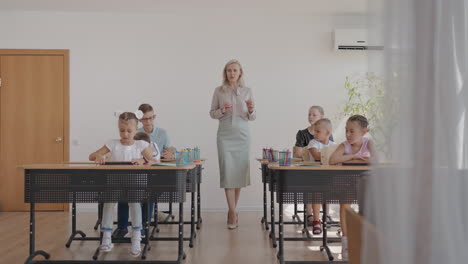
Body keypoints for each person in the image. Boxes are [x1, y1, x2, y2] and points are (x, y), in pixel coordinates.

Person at [89, 112, 155, 257]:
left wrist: (142, 161)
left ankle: (136, 238)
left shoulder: (141, 144)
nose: (125, 134)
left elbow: (154, 161)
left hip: (134, 182)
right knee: (108, 204)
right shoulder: (112, 143)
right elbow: (92, 156)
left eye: (129, 131)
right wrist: (99, 156)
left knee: (135, 204)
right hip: (115, 182)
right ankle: (106, 238)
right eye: (121, 130)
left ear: (136, 130)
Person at [209, 59, 256, 229]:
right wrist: (222, 111)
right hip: (225, 135)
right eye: (229, 70)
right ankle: (232, 211)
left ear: (240, 73)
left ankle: (233, 210)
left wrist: (251, 109)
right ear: (225, 73)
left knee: (238, 174)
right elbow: (212, 113)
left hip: (242, 135)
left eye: (235, 70)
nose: (232, 73)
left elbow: (252, 117)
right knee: (228, 172)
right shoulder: (219, 91)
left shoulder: (247, 91)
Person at [114, 104, 171, 238]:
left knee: (148, 193)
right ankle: (123, 227)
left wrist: (167, 154)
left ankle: (144, 225)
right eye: (145, 119)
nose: (149, 122)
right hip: (133, 175)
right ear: (140, 120)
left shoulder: (160, 135)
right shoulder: (134, 132)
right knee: (124, 193)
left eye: (151, 118)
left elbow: (159, 156)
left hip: (152, 175)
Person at [329, 114, 376, 260]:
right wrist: (352, 157)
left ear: (363, 132)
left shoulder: (368, 143)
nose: (348, 134)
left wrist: (368, 159)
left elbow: (377, 159)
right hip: (346, 182)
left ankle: (365, 240)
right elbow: (333, 160)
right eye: (346, 130)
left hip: (363, 183)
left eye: (352, 131)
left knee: (368, 209)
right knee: (345, 207)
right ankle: (346, 241)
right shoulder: (344, 145)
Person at [293, 105, 334, 227]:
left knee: (327, 185)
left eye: (314, 115)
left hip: (324, 170)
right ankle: (310, 214)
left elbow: (333, 154)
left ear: (322, 117)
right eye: (309, 114)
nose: (310, 117)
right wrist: (326, 155)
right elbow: (299, 153)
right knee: (313, 186)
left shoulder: (328, 136)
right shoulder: (304, 135)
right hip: (310, 169)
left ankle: (325, 214)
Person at [306, 118, 336, 234]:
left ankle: (326, 216)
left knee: (327, 194)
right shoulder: (313, 143)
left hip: (329, 177)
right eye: (314, 131)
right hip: (315, 177)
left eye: (318, 131)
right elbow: (317, 156)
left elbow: (337, 158)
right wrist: (331, 156)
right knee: (317, 193)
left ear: (327, 133)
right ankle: (316, 220)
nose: (315, 134)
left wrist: (333, 156)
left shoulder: (333, 145)